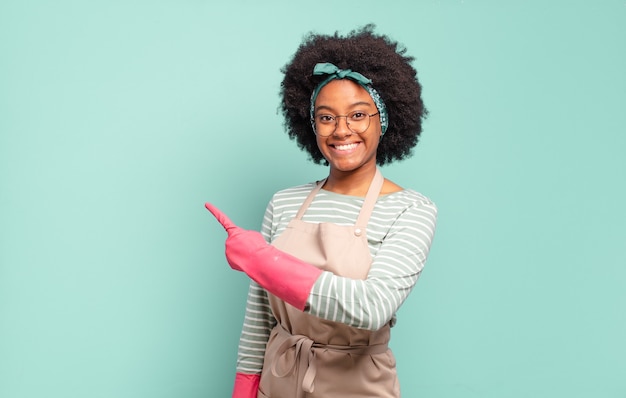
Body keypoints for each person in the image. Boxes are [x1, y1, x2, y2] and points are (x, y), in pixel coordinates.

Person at [206, 24, 438, 398]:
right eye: (327, 117)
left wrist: (264, 262)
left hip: (356, 385)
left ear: (385, 119)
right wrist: (245, 388)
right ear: (310, 123)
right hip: (278, 380)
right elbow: (259, 317)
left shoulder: (411, 210)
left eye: (359, 114)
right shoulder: (283, 203)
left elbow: (372, 307)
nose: (342, 130)